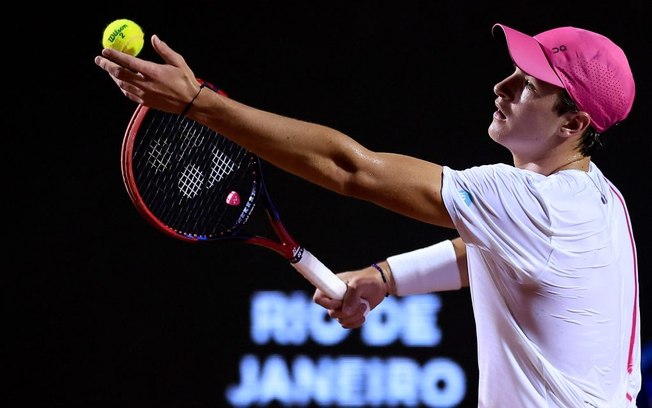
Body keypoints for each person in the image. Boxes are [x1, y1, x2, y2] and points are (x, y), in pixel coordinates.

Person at [95, 22, 641, 407]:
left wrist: (198, 103)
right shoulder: (596, 198)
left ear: (572, 125)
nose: (502, 86)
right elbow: (483, 251)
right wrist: (386, 278)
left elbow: (352, 170)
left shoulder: (533, 205)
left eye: (528, 84)